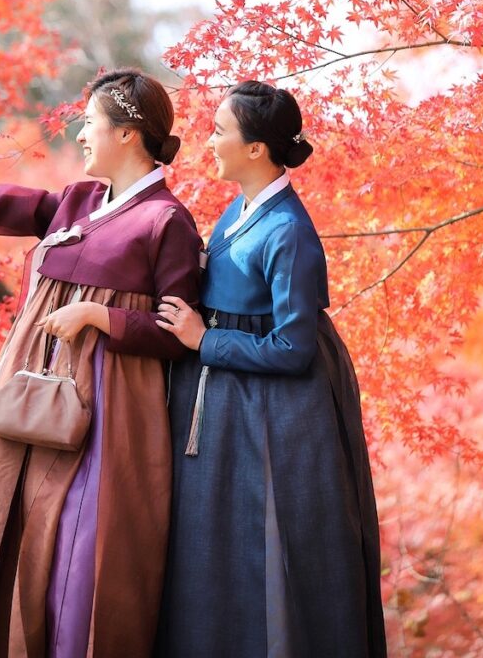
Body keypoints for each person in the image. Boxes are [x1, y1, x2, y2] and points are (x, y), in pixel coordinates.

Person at [0, 69, 201, 658]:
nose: (80, 133)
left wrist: (100, 318)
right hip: (26, 390)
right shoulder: (79, 201)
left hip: (109, 406)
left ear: (129, 135)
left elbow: (180, 333)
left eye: (91, 122)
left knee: (74, 554)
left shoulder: (167, 222)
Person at [151, 80, 388, 657]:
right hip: (231, 392)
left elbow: (292, 348)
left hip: (275, 407)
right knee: (219, 544)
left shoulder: (288, 231)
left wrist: (205, 341)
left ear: (256, 148)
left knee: (270, 545)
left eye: (220, 131)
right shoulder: (242, 207)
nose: (209, 141)